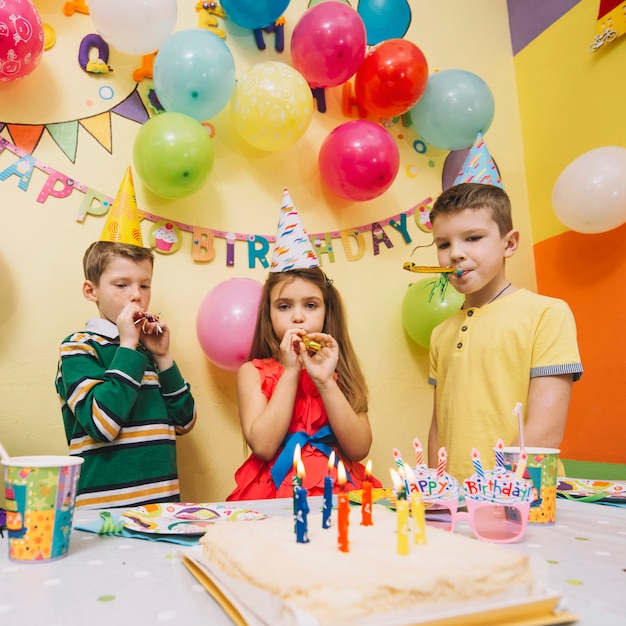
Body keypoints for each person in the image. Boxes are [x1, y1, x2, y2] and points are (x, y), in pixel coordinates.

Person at [55, 168, 197, 509]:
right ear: (91, 290)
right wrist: (129, 346)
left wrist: (162, 357)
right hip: (101, 514)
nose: (137, 296)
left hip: (162, 507)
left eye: (144, 285)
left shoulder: (145, 352)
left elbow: (185, 421)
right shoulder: (78, 348)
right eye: (122, 285)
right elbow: (103, 425)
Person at [227, 190, 381, 500]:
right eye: (284, 307)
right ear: (268, 315)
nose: (298, 317)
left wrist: (325, 381)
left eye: (310, 305)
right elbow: (264, 445)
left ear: (327, 312)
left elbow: (360, 448)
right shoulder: (251, 373)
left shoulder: (340, 371)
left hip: (337, 488)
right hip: (274, 491)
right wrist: (290, 372)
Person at [427, 182, 583, 482]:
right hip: (456, 500)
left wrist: (495, 490)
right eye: (443, 244)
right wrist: (437, 488)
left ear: (509, 244)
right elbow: (438, 427)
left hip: (522, 495)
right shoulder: (440, 333)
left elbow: (544, 433)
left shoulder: (547, 314)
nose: (455, 254)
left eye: (472, 238)